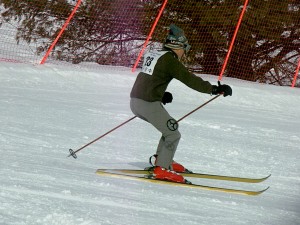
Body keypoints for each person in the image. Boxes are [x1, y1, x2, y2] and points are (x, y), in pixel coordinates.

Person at [130, 24, 232, 183]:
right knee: (173, 133)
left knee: (170, 127)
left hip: (137, 101)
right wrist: (213, 89)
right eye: (185, 48)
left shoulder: (155, 54)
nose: (184, 53)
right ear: (178, 46)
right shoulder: (170, 60)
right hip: (147, 103)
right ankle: (162, 169)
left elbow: (148, 77)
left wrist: (160, 94)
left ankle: (163, 160)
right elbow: (189, 78)